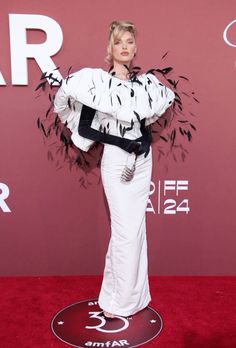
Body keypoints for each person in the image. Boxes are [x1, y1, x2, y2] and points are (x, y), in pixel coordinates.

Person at [54, 20, 175, 319]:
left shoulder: (145, 85)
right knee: (124, 232)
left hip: (142, 160)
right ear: (110, 47)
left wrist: (142, 144)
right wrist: (125, 143)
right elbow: (85, 128)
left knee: (136, 231)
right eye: (119, 41)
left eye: (130, 41)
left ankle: (132, 298)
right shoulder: (97, 84)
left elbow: (142, 125)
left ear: (135, 47)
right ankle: (117, 302)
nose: (125, 47)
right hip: (117, 161)